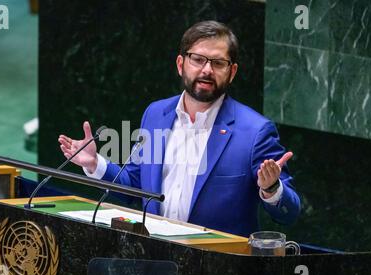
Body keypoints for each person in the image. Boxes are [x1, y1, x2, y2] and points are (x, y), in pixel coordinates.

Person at [58, 20, 301, 237]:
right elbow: (135, 188)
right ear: (180, 64)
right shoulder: (155, 114)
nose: (207, 70)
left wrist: (271, 188)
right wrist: (95, 164)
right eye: (198, 59)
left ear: (232, 72)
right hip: (155, 258)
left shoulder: (255, 131)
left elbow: (289, 213)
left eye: (218, 63)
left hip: (218, 270)